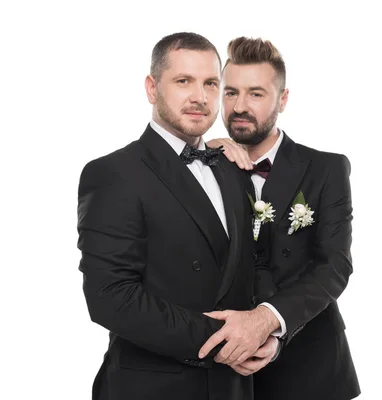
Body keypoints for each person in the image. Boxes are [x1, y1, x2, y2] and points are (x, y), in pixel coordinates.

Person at [76, 32, 277, 400]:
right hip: (151, 388)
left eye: (211, 84)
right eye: (183, 81)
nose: (200, 97)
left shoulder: (233, 169)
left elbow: (254, 265)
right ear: (152, 88)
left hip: (234, 388)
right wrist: (228, 341)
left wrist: (266, 330)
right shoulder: (113, 173)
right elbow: (110, 296)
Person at [203, 37, 361, 399]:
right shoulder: (205, 165)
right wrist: (200, 152)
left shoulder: (326, 168)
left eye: (256, 94)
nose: (240, 106)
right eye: (230, 93)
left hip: (312, 367)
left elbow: (334, 266)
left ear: (283, 100)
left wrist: (269, 324)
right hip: (222, 370)